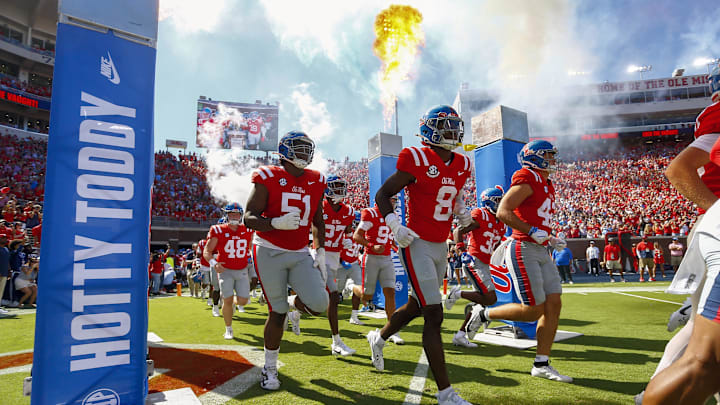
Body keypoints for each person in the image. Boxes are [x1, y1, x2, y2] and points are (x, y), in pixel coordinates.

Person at [366, 105, 473, 404]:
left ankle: (379, 336)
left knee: (416, 305)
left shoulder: (462, 163)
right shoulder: (416, 157)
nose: (453, 132)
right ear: (430, 129)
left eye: (455, 126)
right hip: (417, 243)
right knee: (434, 314)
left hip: (441, 244)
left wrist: (461, 211)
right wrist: (393, 224)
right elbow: (382, 194)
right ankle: (445, 393)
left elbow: (455, 191)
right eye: (446, 126)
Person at [642, 64, 720, 404]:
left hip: (710, 228)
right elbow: (678, 169)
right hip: (715, 227)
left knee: (698, 343)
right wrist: (717, 209)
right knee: (704, 359)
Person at [467, 139, 572, 383]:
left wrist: (549, 237)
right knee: (533, 310)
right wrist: (532, 230)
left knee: (554, 304)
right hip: (522, 247)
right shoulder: (528, 177)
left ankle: (541, 363)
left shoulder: (546, 182)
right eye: (548, 156)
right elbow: (504, 211)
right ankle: (483, 314)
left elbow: (536, 216)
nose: (553, 160)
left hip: (540, 249)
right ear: (534, 157)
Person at [244, 131, 329, 391]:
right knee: (277, 313)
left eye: (307, 149)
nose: (304, 154)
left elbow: (317, 220)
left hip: (300, 251)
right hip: (269, 249)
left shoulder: (316, 180)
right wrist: (275, 223)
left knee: (320, 304)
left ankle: (294, 301)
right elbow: (249, 217)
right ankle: (270, 369)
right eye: (299, 149)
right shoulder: (268, 176)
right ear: (284, 151)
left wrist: (321, 250)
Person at [447, 186, 506, 348]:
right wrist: (461, 248)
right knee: (490, 298)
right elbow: (458, 230)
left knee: (482, 303)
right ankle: (457, 293)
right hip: (474, 260)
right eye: (498, 201)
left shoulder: (500, 221)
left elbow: (497, 244)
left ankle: (460, 335)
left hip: (486, 263)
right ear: (489, 202)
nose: (501, 203)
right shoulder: (481, 214)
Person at [353, 197, 404, 344]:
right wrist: (371, 245)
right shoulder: (371, 214)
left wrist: (397, 248)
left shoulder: (391, 217)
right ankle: (352, 287)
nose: (393, 203)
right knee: (366, 296)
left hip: (387, 259)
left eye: (394, 201)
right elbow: (357, 236)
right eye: (391, 200)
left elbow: (389, 238)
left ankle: (392, 330)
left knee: (390, 292)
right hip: (372, 258)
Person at [318, 174, 357, 356]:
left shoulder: (348, 211)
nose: (340, 190)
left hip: (334, 256)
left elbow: (348, 228)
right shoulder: (319, 206)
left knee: (316, 301)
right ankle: (337, 341)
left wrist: (347, 239)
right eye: (336, 187)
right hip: (319, 253)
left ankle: (292, 307)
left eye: (342, 186)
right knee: (333, 296)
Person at [203, 202, 254, 340]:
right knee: (228, 299)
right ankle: (228, 329)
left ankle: (229, 302)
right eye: (231, 214)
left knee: (243, 301)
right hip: (225, 270)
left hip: (242, 269)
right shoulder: (217, 230)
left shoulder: (248, 230)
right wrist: (214, 264)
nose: (234, 216)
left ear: (241, 215)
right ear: (226, 215)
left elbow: (252, 247)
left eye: (236, 214)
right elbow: (207, 251)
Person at [339, 211, 365, 325]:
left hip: (354, 263)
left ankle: (354, 316)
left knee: (359, 288)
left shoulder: (362, 234)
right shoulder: (342, 234)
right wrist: (340, 260)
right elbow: (333, 248)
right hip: (340, 264)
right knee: (335, 292)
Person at [0, 235, 9, 314]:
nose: (5, 239)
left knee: (1, 291)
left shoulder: (6, 249)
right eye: (3, 238)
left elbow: (7, 261)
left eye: (5, 238)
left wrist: (9, 271)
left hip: (4, 273)